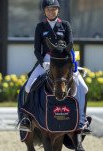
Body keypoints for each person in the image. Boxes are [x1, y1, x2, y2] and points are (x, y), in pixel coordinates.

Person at [19, 0, 91, 134]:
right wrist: (43, 62)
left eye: (53, 9)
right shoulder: (40, 27)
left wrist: (73, 64)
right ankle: (26, 119)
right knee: (28, 87)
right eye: (48, 9)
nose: (51, 12)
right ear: (44, 11)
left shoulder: (65, 25)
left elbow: (71, 46)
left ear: (58, 10)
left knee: (84, 88)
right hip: (47, 60)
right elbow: (36, 50)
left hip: (64, 61)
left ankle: (84, 120)